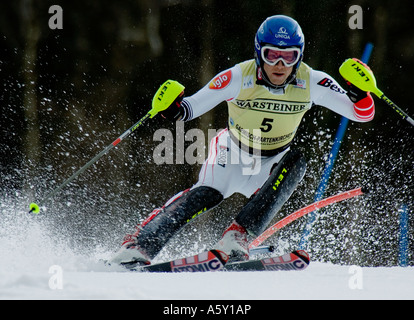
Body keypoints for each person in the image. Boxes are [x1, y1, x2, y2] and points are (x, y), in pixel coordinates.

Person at [110, 15, 375, 266]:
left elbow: (361, 114)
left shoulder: (313, 81)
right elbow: (189, 109)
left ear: (299, 56)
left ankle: (237, 237)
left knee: (297, 162)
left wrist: (360, 93)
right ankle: (138, 246)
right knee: (206, 193)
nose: (280, 65)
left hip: (271, 162)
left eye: (289, 56)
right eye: (272, 55)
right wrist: (171, 107)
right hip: (231, 152)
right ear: (259, 52)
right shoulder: (238, 76)